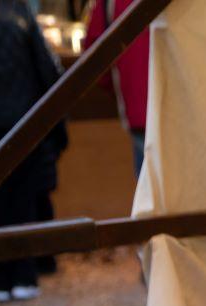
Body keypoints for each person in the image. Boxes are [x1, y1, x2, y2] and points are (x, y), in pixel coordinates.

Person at [0, 0, 67, 302]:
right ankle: (25, 276)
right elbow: (46, 66)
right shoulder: (19, 10)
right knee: (24, 199)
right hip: (23, 123)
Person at [84, 0, 149, 176]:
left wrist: (119, 89)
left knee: (149, 192)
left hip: (139, 109)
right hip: (188, 105)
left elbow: (95, 55)